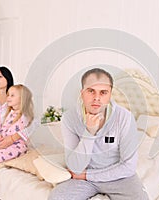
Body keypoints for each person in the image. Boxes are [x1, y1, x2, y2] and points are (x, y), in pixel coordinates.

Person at [49, 68, 148, 200]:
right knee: (56, 197)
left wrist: (87, 175)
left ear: (110, 94)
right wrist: (89, 133)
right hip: (83, 180)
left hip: (118, 177)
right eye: (91, 91)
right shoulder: (69, 118)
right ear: (82, 93)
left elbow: (128, 167)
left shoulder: (125, 118)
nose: (96, 98)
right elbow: (75, 167)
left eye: (103, 92)